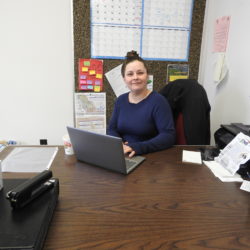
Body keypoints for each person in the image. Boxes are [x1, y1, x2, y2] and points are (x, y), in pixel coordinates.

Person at [107, 50, 175, 157]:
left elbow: (168, 136)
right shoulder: (120, 100)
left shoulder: (159, 101)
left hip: (148, 156)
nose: (135, 77)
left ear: (147, 76)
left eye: (140, 73)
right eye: (130, 74)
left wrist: (137, 147)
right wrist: (118, 144)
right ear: (124, 79)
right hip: (123, 154)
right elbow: (112, 129)